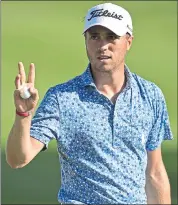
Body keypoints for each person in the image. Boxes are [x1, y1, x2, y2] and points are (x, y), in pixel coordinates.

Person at [6, 2, 173, 205]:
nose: (102, 46)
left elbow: (154, 172)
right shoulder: (62, 97)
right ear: (85, 40)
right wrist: (23, 115)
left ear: (128, 41)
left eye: (111, 36)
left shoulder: (150, 95)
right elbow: (18, 159)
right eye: (94, 36)